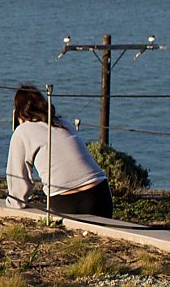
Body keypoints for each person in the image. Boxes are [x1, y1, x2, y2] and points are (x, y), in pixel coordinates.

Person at [6, 85, 113, 217]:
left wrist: (15, 203)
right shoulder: (63, 123)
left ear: (18, 113)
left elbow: (18, 178)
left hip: (65, 199)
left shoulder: (22, 131)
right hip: (101, 193)